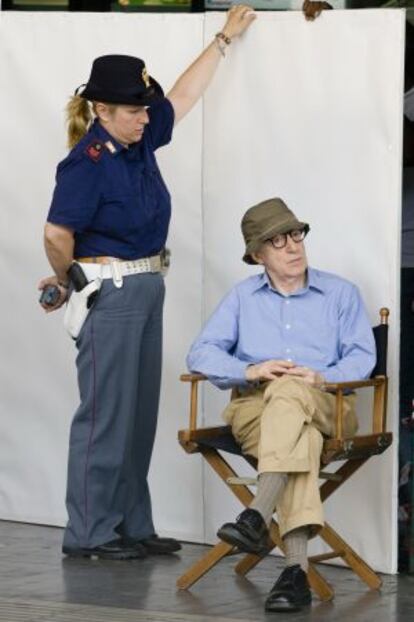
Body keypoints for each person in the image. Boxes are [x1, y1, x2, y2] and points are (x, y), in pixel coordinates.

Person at [38, 5, 256, 561]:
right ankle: (90, 532)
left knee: (136, 415)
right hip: (109, 295)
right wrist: (70, 280)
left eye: (143, 107)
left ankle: (131, 524)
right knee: (104, 416)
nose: (145, 117)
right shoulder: (87, 163)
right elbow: (56, 233)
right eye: (133, 110)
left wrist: (224, 41)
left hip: (147, 286)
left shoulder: (136, 139)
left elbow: (180, 97)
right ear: (101, 110)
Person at [187, 197, 376, 612]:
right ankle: (294, 574)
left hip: (328, 404)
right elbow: (200, 354)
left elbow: (363, 356)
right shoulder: (241, 298)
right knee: (299, 440)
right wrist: (251, 370)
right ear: (257, 254)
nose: (293, 247)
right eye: (277, 241)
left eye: (296, 235)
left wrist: (320, 376)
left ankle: (256, 515)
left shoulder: (340, 293)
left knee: (290, 391)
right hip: (255, 409)